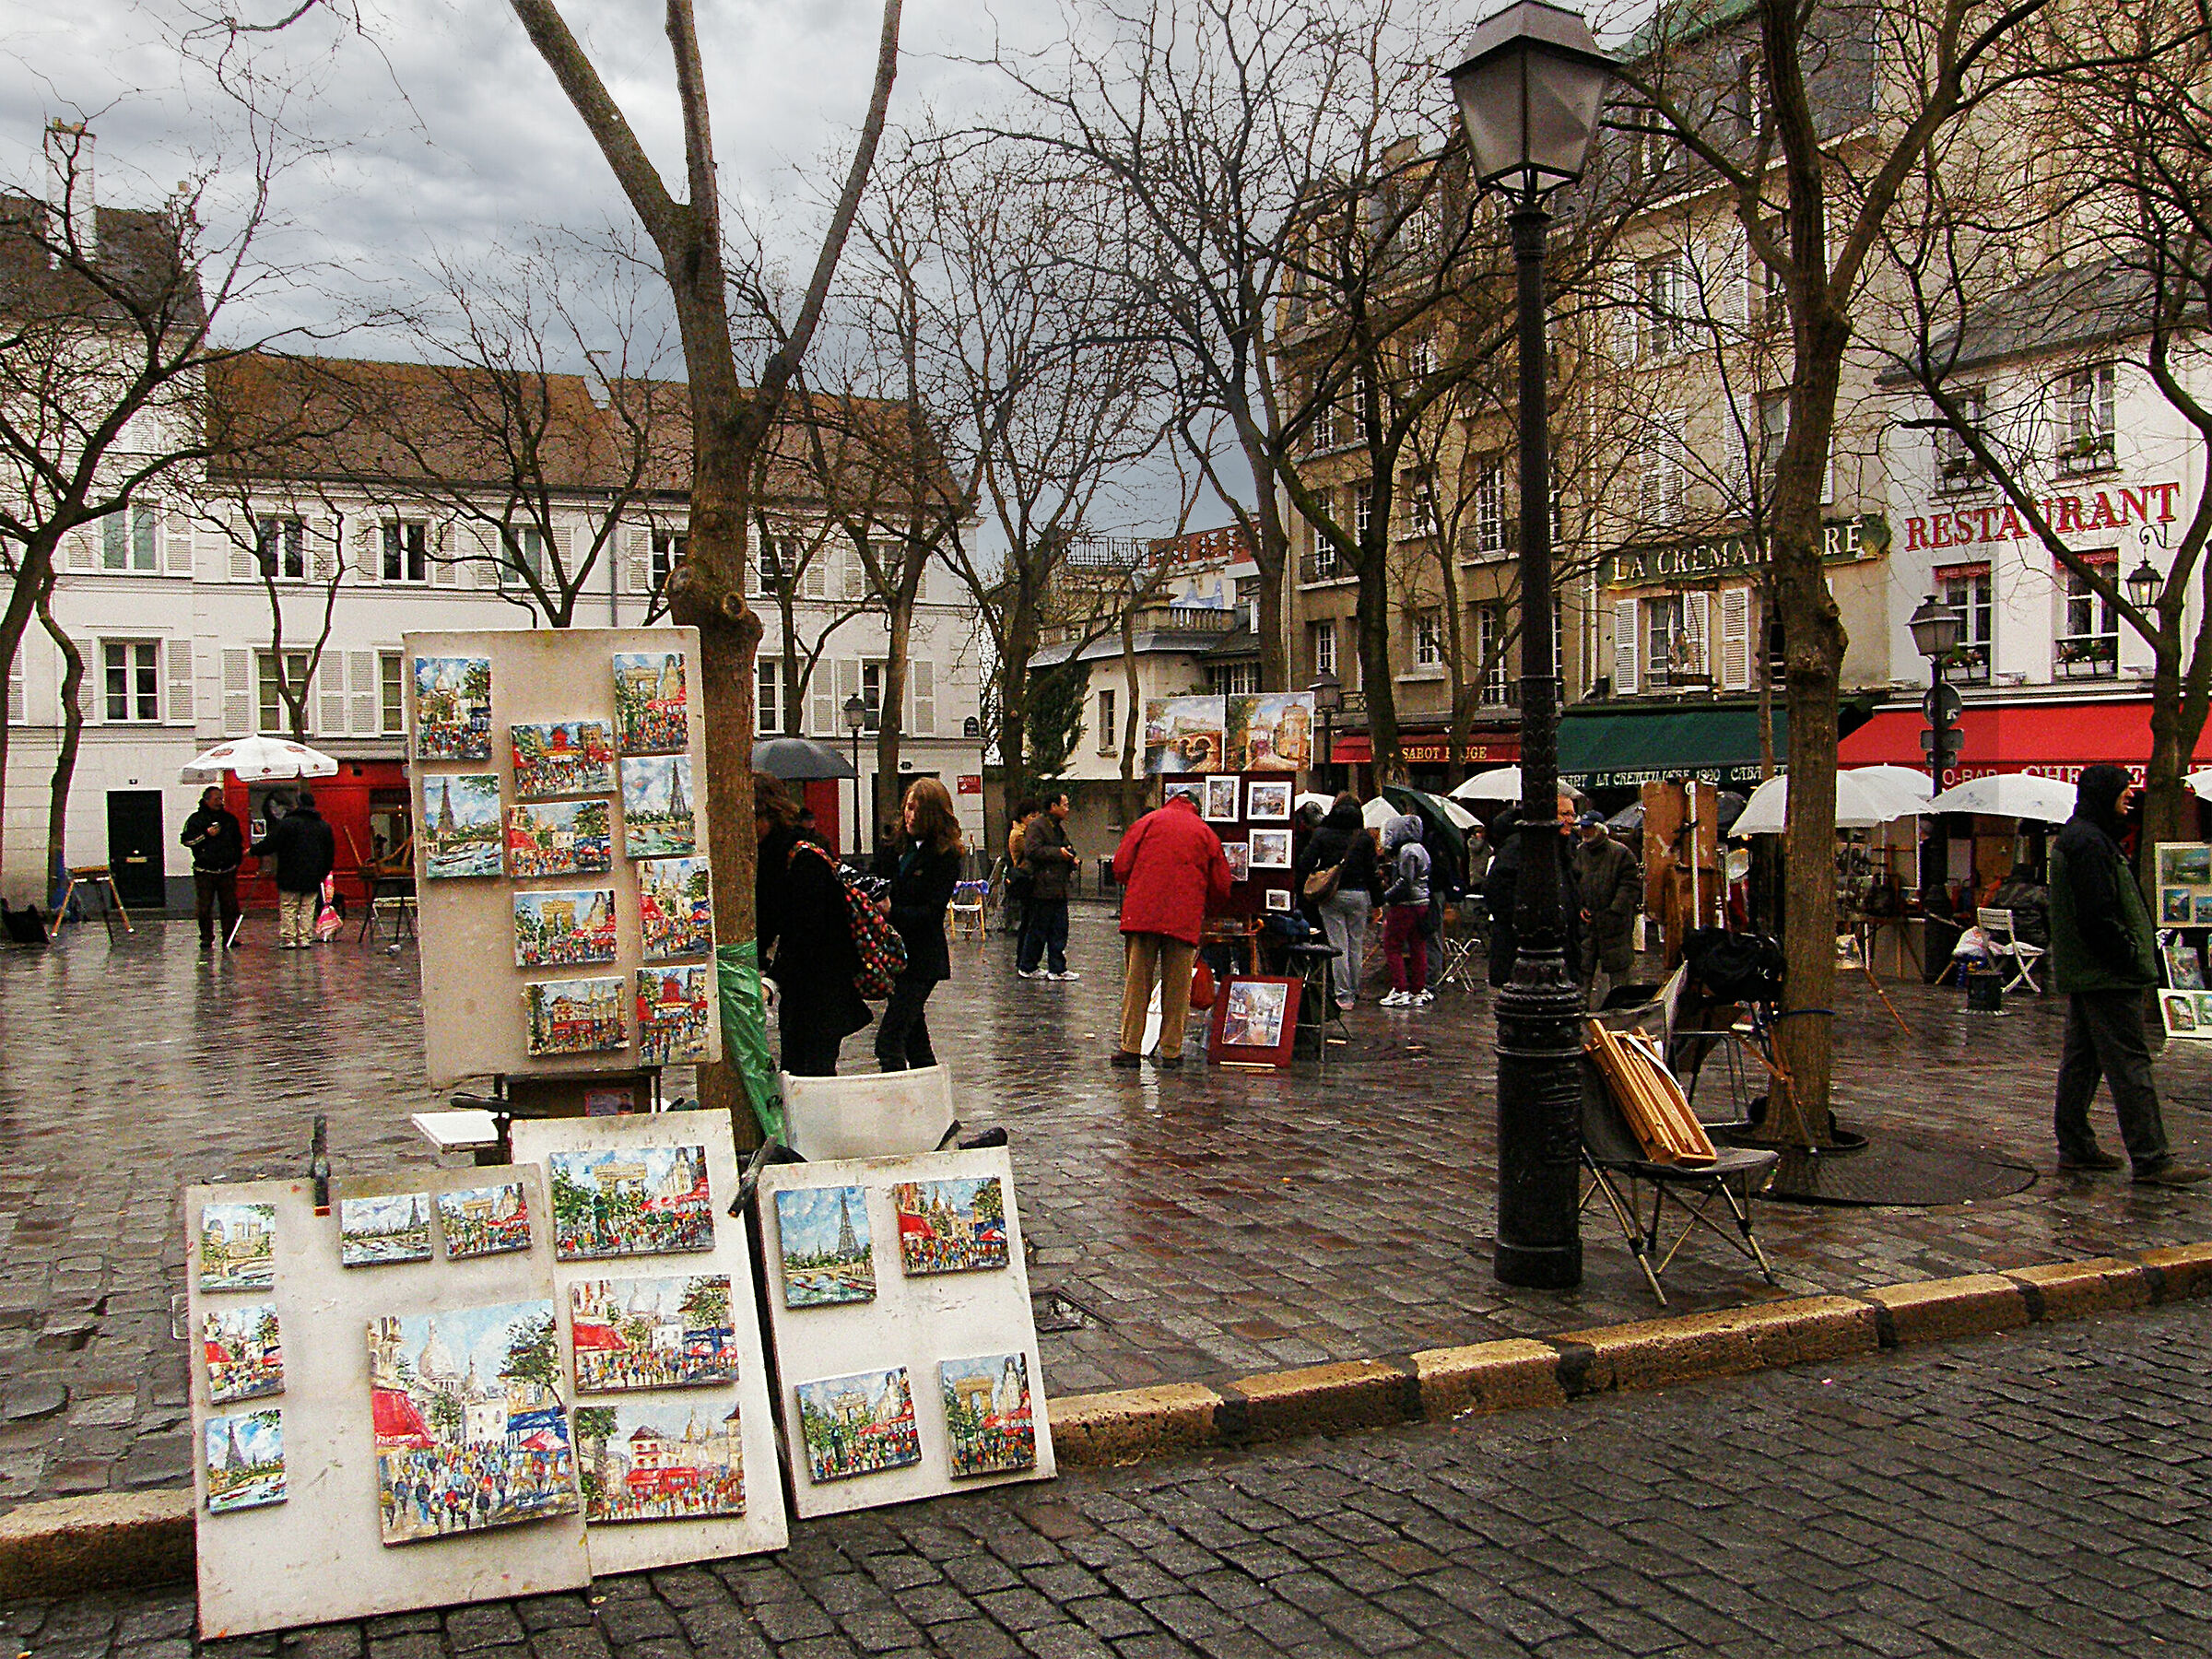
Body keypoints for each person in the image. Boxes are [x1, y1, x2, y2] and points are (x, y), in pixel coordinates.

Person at [2048, 763, 2207, 1184]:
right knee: (2130, 1064)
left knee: (2083, 1059)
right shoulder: (2089, 843)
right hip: (2107, 973)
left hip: (2092, 971)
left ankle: (2076, 1146)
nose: (2129, 797)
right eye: (2123, 790)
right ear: (2105, 794)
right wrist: (2130, 955)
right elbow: (2097, 914)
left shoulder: (2084, 837)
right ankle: (2152, 1158)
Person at [754, 771, 871, 1076]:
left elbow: (808, 930)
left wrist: (772, 979)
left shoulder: (802, 856)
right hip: (800, 987)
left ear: (769, 814)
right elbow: (766, 917)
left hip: (825, 985)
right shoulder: (769, 855)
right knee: (795, 1069)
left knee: (814, 1072)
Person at [1110, 787, 1232, 1066]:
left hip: (1142, 915)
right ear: (1197, 808)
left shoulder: (1147, 822)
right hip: (1183, 918)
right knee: (1178, 987)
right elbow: (1222, 885)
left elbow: (1120, 866)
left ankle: (1130, 1047)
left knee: (1137, 982)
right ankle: (1171, 1051)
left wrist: (1139, 884)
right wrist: (1208, 906)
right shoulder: (1205, 833)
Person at [874, 778, 964, 1072]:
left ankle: (898, 1097)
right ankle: (931, 1094)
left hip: (922, 959)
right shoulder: (894, 846)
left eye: (919, 811)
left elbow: (931, 912)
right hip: (893, 955)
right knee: (915, 1040)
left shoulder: (945, 855)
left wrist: (893, 911)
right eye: (909, 808)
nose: (911, 816)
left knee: (890, 1040)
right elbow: (876, 880)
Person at [1484, 795, 1583, 988]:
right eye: (1564, 814)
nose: (1571, 820)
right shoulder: (1520, 845)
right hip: (1524, 954)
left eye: (1573, 814)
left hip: (1559, 952)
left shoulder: (1562, 846)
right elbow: (1496, 890)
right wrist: (1526, 922)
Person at [1300, 794, 1381, 1012]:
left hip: (1332, 895)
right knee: (1356, 944)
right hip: (1359, 894)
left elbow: (1305, 862)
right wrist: (1377, 902)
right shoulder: (1363, 837)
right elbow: (1372, 872)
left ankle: (1343, 995)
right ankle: (1354, 989)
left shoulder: (1322, 834)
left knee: (1338, 945)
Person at [250, 790, 335, 949]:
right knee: (307, 907)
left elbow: (271, 843)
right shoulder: (323, 826)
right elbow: (329, 853)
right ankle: (305, 938)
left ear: (298, 804)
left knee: (289, 905)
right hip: (313, 874)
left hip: (289, 871)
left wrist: (253, 850)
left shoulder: (287, 824)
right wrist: (323, 872)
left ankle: (289, 938)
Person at [1571, 810, 1642, 994]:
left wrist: (1614, 911)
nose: (1585, 832)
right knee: (1583, 974)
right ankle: (1580, 1007)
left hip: (1614, 925)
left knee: (1619, 978)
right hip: (1587, 924)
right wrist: (1580, 907)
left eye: (1589, 828)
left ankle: (1618, 1007)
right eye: (1583, 828)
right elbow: (1574, 882)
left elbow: (1630, 885)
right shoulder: (1579, 852)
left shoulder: (1621, 853)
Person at [1018, 791, 1079, 981]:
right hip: (1042, 888)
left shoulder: (1057, 828)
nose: (1067, 809)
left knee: (1059, 929)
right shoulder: (1038, 826)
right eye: (1064, 805)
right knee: (1038, 929)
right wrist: (1058, 853)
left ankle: (1057, 968)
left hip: (1058, 888)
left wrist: (1071, 857)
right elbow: (1033, 851)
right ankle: (1028, 966)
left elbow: (1067, 847)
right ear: (1053, 806)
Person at [180, 785, 244, 948]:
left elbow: (238, 842)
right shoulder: (196, 819)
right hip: (205, 871)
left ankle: (229, 937)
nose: (219, 802)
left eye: (221, 799)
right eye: (216, 799)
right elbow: (187, 841)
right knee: (204, 907)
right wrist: (206, 835)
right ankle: (206, 937)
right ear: (206, 800)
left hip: (227, 870)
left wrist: (237, 861)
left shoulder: (229, 819)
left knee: (229, 906)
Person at [1379, 814, 1432, 1008]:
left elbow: (1405, 881)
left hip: (1406, 905)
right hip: (1422, 903)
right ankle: (1418, 989)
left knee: (1392, 945)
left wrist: (1386, 896)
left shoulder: (1406, 851)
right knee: (1418, 947)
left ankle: (1400, 989)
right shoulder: (1421, 849)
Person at [1003, 798, 1040, 958]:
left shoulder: (1025, 832)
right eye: (1033, 816)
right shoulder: (1019, 834)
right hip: (1025, 879)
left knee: (1029, 920)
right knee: (1028, 922)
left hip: (1029, 878)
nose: (1036, 820)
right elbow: (1033, 851)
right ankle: (1024, 958)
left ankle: (1025, 958)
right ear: (1023, 817)